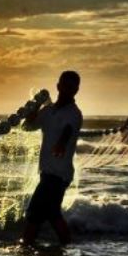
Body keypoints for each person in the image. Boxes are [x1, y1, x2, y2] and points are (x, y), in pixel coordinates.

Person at [21, 71, 83, 246]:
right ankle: (65, 246)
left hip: (59, 174)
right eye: (65, 85)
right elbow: (27, 127)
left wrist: (62, 143)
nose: (68, 89)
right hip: (47, 171)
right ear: (58, 86)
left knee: (34, 212)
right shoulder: (48, 111)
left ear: (76, 90)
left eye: (72, 86)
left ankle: (26, 245)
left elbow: (69, 129)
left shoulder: (74, 113)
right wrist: (33, 108)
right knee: (51, 213)